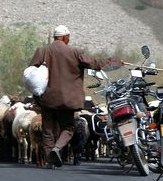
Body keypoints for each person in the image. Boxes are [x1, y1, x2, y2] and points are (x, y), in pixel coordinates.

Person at [29, 25, 123, 169]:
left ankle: (49, 161)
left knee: (47, 130)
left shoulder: (42, 51)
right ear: (66, 37)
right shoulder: (75, 52)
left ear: (55, 37)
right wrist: (114, 62)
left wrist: (37, 94)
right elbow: (95, 63)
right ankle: (57, 148)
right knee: (68, 127)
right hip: (68, 100)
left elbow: (30, 74)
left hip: (47, 98)